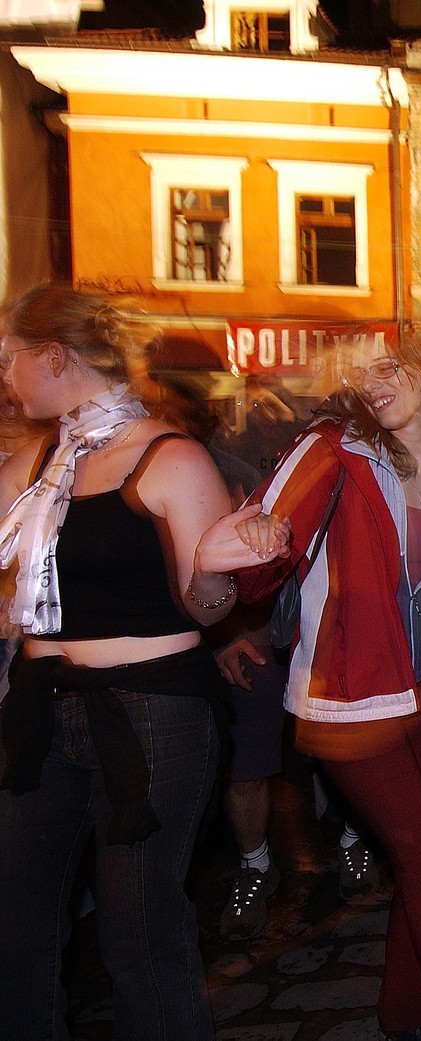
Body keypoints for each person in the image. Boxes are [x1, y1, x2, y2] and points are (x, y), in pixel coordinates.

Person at [199, 329, 421, 1041]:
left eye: (389, 368)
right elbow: (264, 553)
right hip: (350, 693)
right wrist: (253, 544)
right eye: (364, 372)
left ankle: (405, 1014)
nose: (371, 381)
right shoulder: (334, 450)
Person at [0, 285, 238, 1040]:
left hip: (152, 712)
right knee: (17, 920)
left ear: (54, 357)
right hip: (41, 706)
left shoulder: (169, 457)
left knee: (138, 930)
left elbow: (209, 609)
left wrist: (216, 570)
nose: (4, 377)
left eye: (10, 360)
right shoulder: (32, 468)